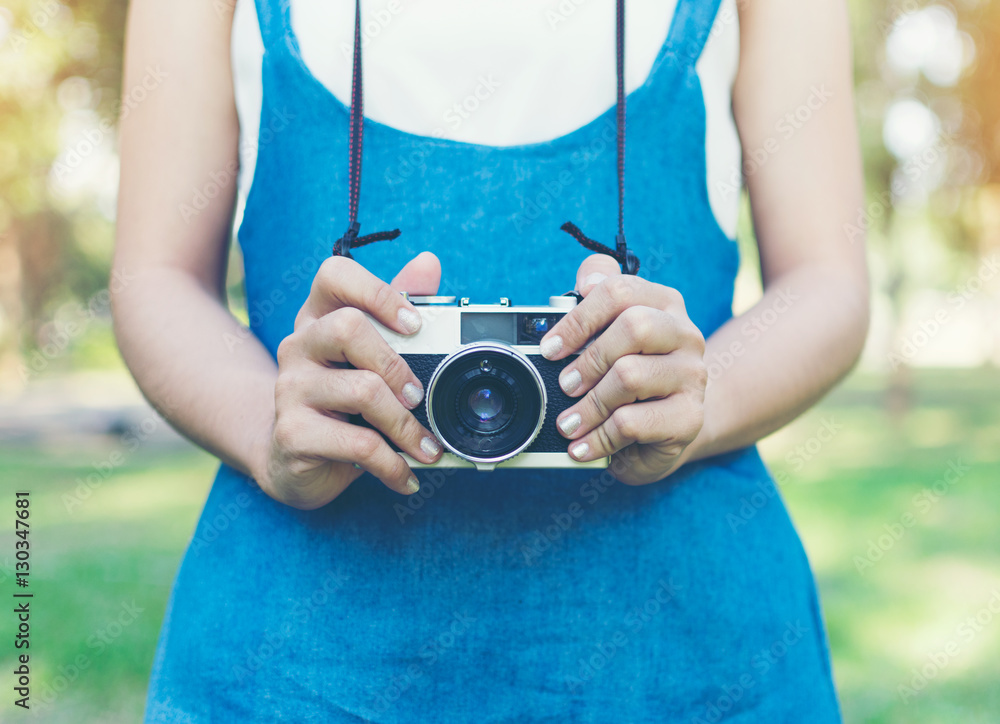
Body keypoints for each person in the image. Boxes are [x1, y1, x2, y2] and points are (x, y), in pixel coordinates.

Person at [113, 0, 868, 720]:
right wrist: (266, 424)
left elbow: (827, 281)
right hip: (295, 663)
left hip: (687, 651)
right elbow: (155, 275)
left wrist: (693, 400)